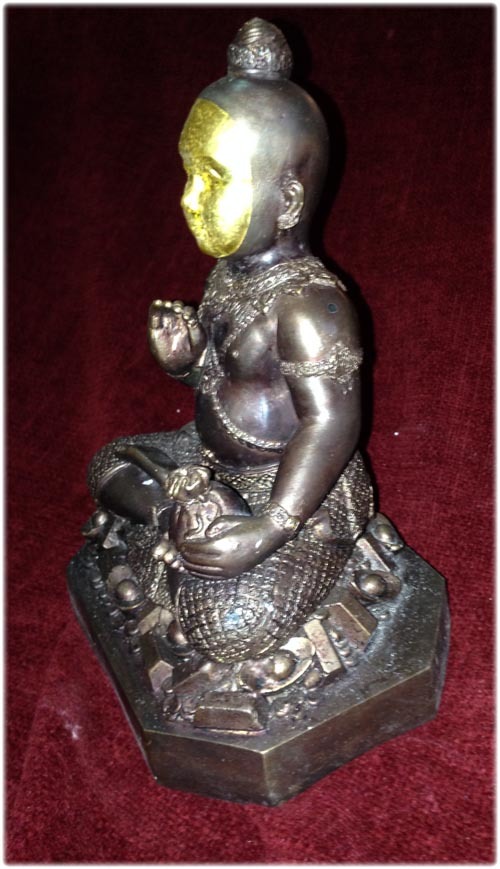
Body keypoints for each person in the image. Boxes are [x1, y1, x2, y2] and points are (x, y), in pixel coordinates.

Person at [87, 18, 373, 664]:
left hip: (292, 487)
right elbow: (233, 384)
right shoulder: (229, 272)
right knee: (107, 465)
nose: (190, 199)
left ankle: (181, 548)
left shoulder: (312, 307)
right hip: (208, 460)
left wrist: (269, 526)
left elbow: (331, 423)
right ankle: (178, 524)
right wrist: (187, 363)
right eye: (190, 175)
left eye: (214, 180)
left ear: (288, 200)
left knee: (228, 624)